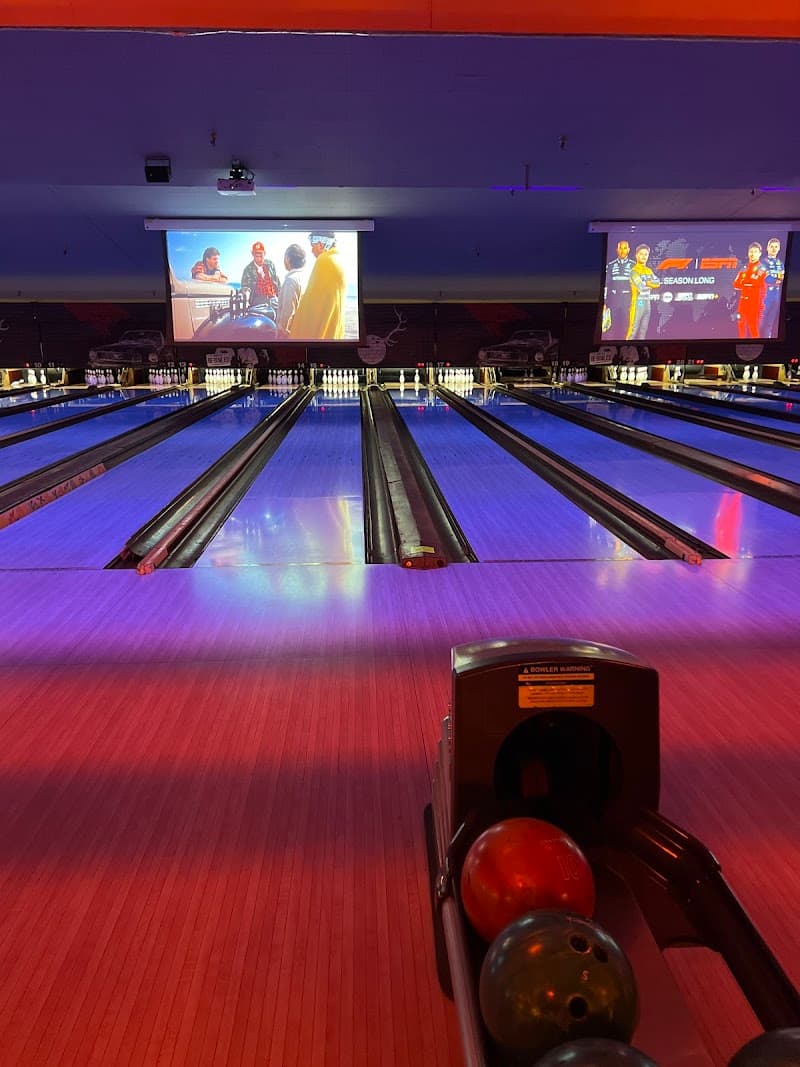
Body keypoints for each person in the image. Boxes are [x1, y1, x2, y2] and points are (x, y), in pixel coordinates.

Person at [290, 231, 347, 340]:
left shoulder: (324, 261)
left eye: (312, 246)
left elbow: (309, 308)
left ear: (321, 245)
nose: (311, 251)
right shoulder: (339, 261)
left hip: (316, 340)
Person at [733, 242, 769, 338]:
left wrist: (745, 282)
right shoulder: (744, 268)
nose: (753, 254)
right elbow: (736, 284)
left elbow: (756, 283)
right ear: (748, 253)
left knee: (753, 326)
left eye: (755, 252)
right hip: (743, 302)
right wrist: (747, 283)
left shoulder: (762, 268)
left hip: (755, 302)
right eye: (751, 252)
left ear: (760, 253)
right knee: (741, 325)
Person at [626, 244, 660, 341]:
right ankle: (626, 350)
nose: (644, 256)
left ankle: (641, 351)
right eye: (641, 254)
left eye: (646, 254)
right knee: (633, 329)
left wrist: (647, 283)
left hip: (647, 303)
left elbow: (658, 283)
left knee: (643, 330)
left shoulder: (649, 270)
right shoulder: (633, 271)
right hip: (638, 303)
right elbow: (641, 288)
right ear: (636, 255)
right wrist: (649, 283)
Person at [604, 239, 634, 339]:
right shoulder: (611, 265)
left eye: (625, 248)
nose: (622, 251)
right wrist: (604, 302)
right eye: (620, 248)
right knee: (611, 326)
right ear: (617, 250)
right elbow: (606, 284)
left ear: (628, 250)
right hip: (614, 299)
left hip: (627, 300)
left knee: (627, 324)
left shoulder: (634, 266)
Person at [276, 243, 307, 334]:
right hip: (302, 328)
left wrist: (281, 329)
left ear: (288, 259)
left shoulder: (290, 280)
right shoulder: (305, 277)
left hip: (290, 332)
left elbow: (288, 310)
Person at [241, 241, 281, 311]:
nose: (259, 259)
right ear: (252, 254)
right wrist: (246, 301)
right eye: (256, 256)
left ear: (264, 254)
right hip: (258, 301)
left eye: (261, 256)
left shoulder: (270, 264)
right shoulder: (248, 269)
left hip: (274, 298)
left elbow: (276, 281)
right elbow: (246, 288)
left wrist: (280, 297)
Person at [760, 236, 785, 338]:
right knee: (761, 322)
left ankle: (768, 342)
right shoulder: (763, 262)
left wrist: (776, 279)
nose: (774, 249)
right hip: (765, 296)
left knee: (770, 323)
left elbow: (782, 278)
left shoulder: (780, 263)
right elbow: (766, 278)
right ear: (767, 248)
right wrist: (776, 279)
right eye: (772, 247)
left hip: (776, 296)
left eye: (776, 247)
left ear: (779, 249)